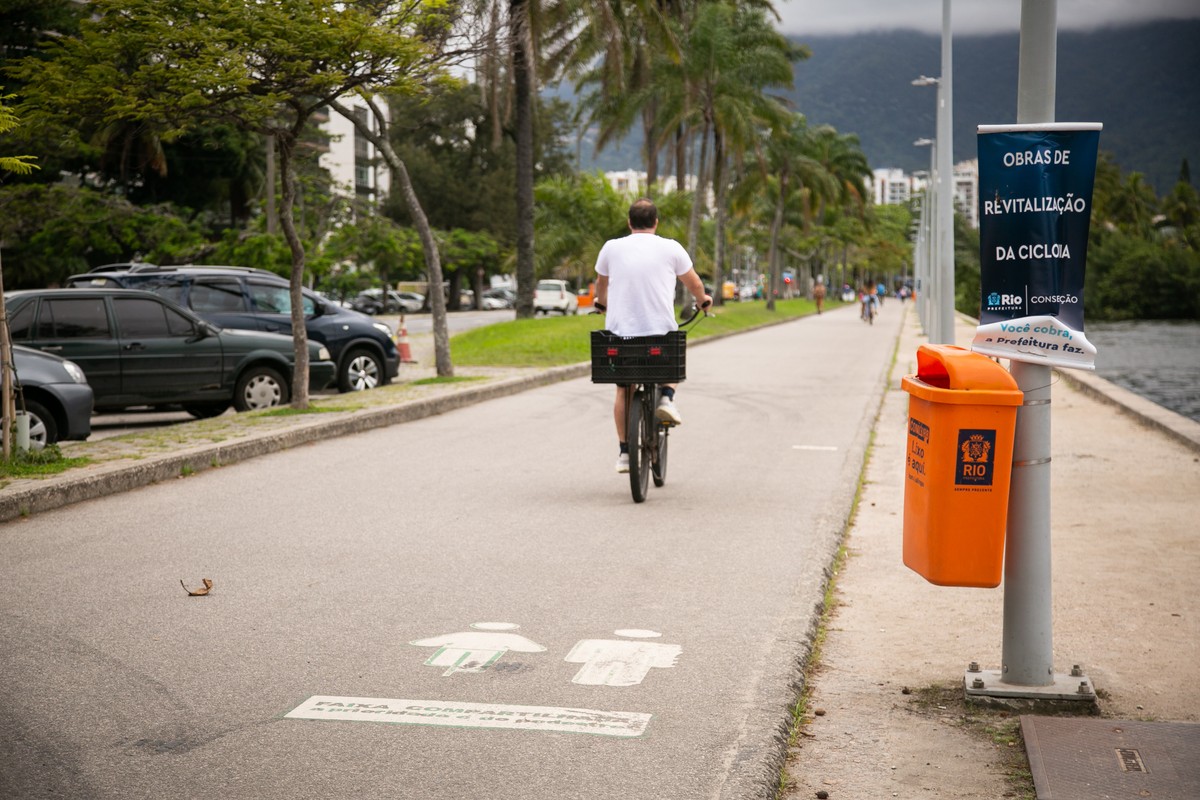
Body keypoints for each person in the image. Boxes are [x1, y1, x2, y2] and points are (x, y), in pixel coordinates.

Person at [594, 198, 712, 474]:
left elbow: (601, 283)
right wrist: (702, 299)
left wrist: (601, 304)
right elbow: (694, 282)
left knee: (623, 389)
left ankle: (625, 453)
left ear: (629, 222)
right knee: (673, 354)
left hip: (621, 336)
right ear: (656, 223)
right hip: (659, 333)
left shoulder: (611, 248)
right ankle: (667, 398)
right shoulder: (671, 247)